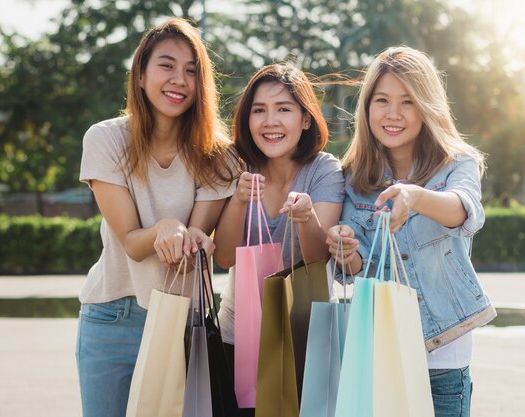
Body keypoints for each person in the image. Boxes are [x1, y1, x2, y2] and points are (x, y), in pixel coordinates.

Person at [75, 18, 236, 417]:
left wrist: (194, 238)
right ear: (141, 74)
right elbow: (131, 241)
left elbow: (198, 239)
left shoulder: (221, 156)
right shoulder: (106, 139)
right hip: (112, 317)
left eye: (192, 71)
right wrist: (164, 229)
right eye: (166, 65)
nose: (179, 79)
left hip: (183, 323)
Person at [326, 46, 496, 417]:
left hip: (444, 349)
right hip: (380, 347)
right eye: (382, 100)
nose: (393, 114)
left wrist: (414, 196)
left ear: (427, 107)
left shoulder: (456, 162)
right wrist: (345, 248)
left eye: (408, 102)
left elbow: (465, 212)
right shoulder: (354, 177)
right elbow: (354, 267)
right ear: (367, 108)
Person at [213, 63, 345, 415]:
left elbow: (319, 262)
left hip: (303, 337)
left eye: (283, 109)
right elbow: (224, 257)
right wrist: (239, 199)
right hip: (238, 337)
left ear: (305, 119)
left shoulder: (324, 170)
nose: (270, 121)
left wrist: (307, 217)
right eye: (259, 110)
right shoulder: (235, 164)